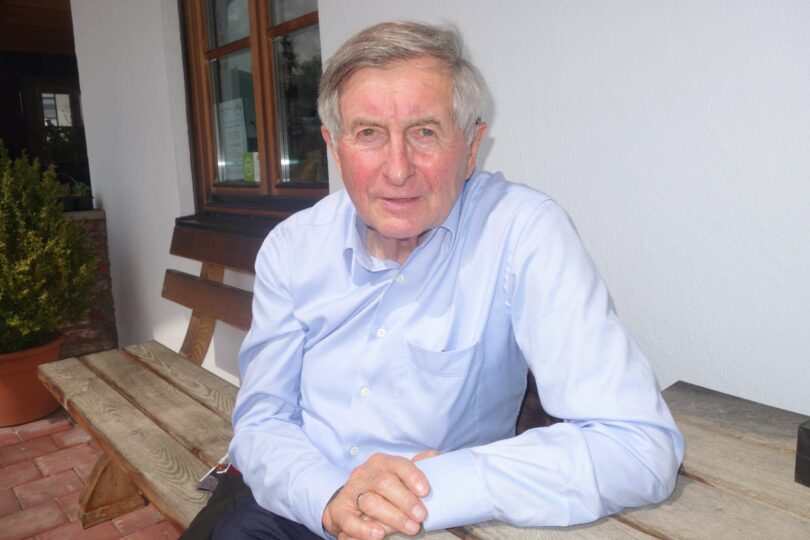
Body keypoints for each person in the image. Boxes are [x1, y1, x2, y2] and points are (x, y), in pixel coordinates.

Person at [210, 20, 684, 540]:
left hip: (437, 516)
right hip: (305, 499)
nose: (397, 169)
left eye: (425, 132)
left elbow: (639, 446)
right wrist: (328, 497)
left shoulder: (522, 233)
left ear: (471, 145)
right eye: (368, 133)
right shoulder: (292, 247)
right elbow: (263, 421)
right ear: (334, 146)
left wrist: (437, 485)